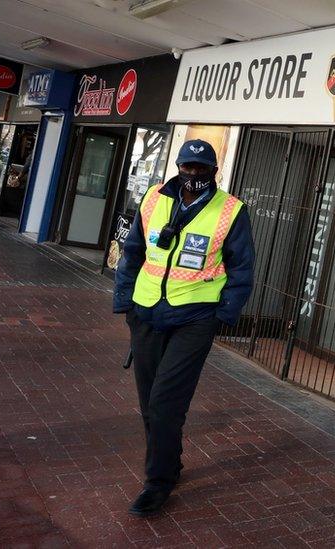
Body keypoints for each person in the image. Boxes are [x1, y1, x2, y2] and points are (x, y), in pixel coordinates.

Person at [113, 139, 254, 517]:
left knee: (165, 402)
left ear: (214, 171)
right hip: (146, 313)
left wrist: (222, 315)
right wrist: (125, 302)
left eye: (201, 169)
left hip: (194, 318)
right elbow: (133, 253)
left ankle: (157, 484)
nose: (193, 175)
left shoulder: (231, 211)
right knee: (149, 404)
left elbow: (242, 269)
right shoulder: (154, 199)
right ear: (178, 166)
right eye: (187, 167)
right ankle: (169, 465)